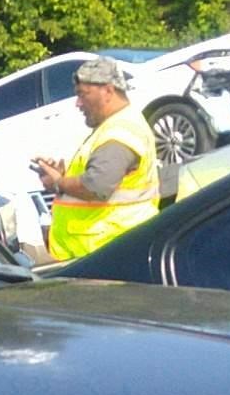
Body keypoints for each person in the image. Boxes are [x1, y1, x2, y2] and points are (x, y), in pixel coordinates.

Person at [30, 57, 165, 263]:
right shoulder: (113, 127)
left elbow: (96, 186)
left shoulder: (120, 132)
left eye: (83, 95)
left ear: (108, 91)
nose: (78, 103)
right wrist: (61, 177)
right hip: (103, 251)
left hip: (109, 253)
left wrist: (59, 182)